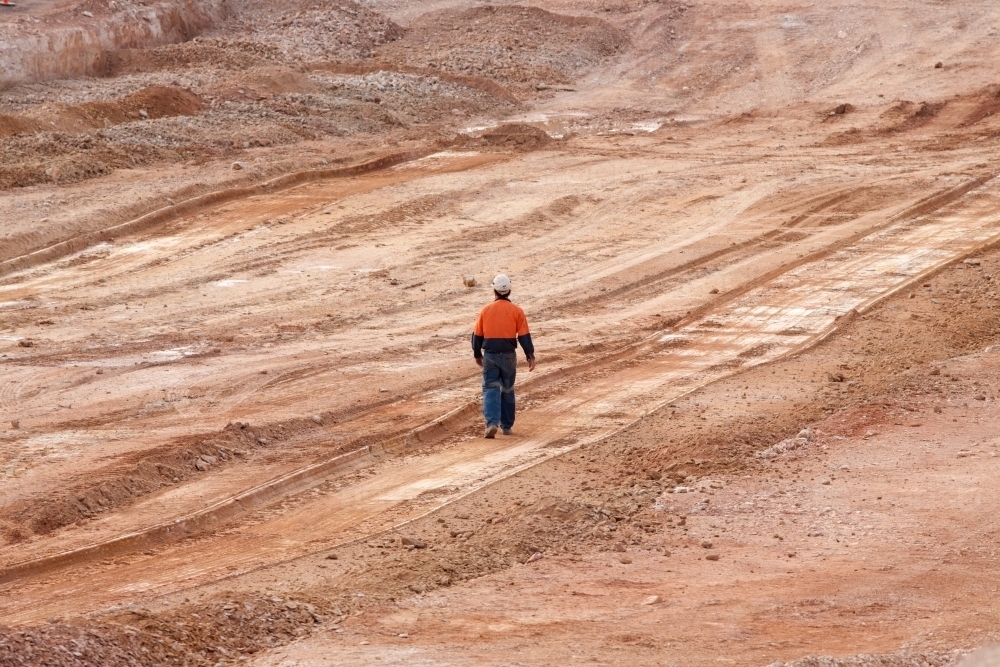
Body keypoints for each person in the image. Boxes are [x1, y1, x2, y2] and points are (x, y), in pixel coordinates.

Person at [471, 274, 536, 438]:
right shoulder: (517, 311)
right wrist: (530, 355)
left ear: (494, 290)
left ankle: (492, 423)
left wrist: (477, 354)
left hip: (490, 356)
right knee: (507, 389)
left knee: (491, 388)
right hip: (508, 356)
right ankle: (506, 426)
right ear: (509, 290)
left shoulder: (485, 310)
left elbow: (477, 336)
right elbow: (524, 336)